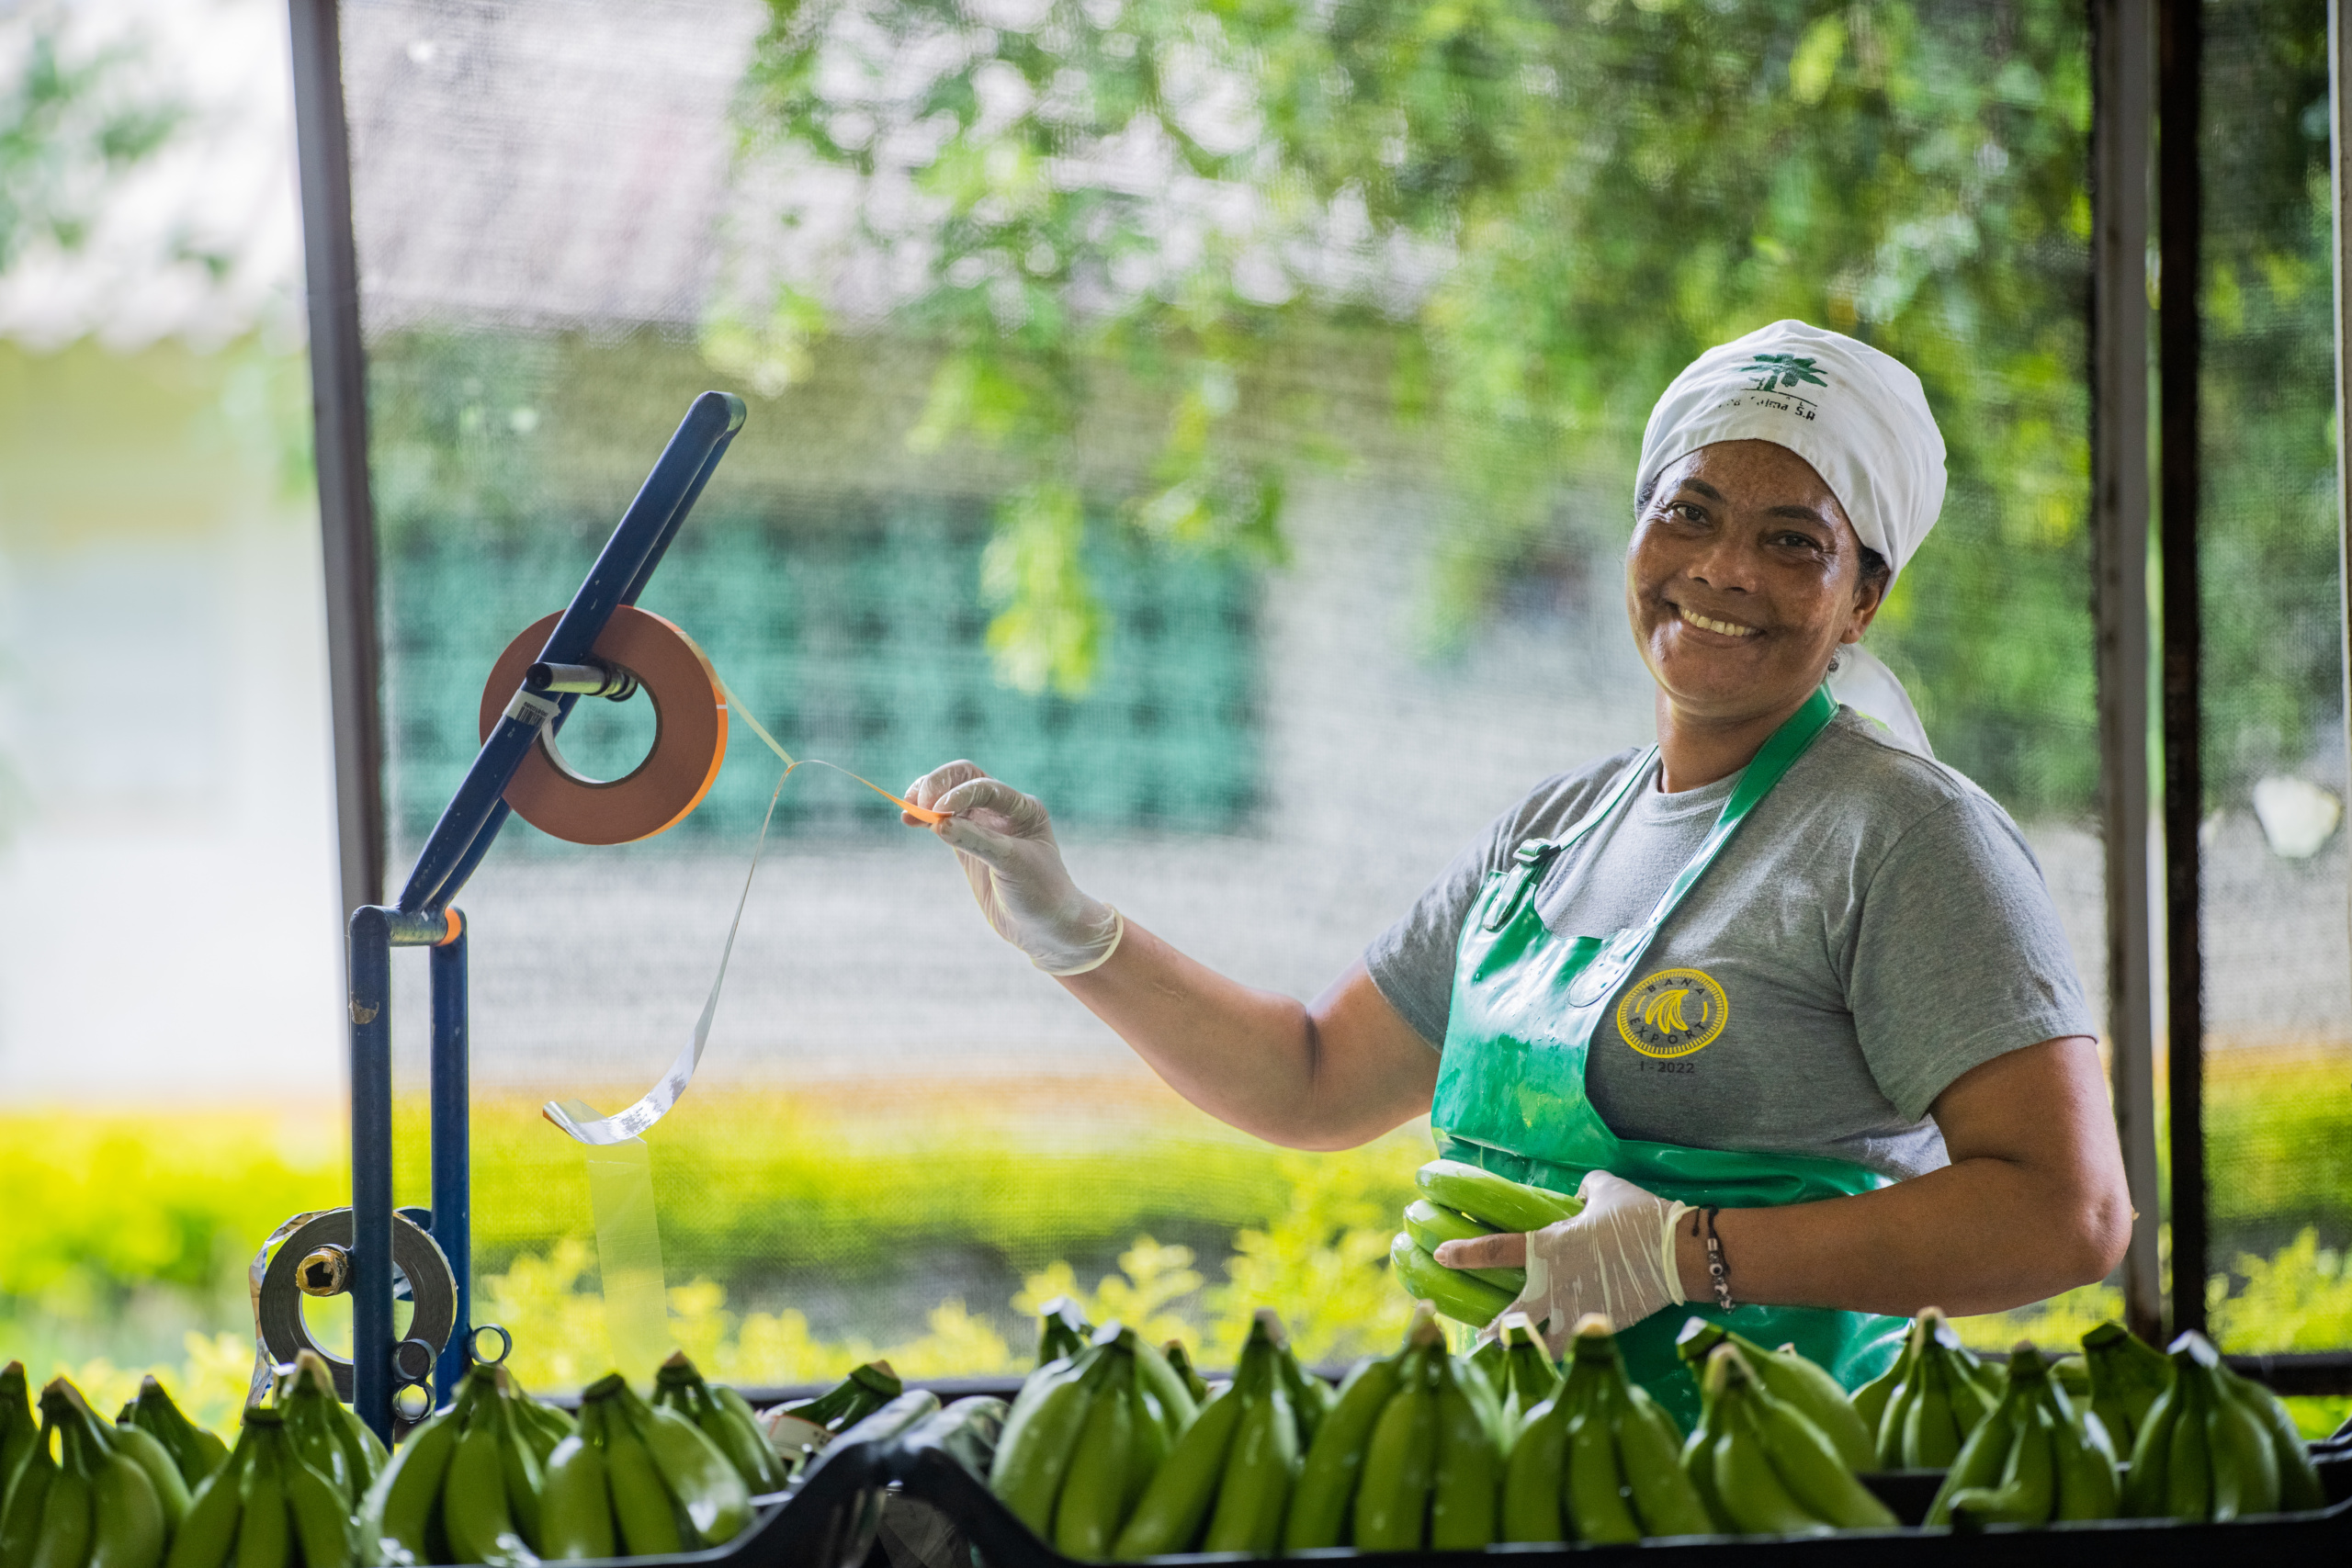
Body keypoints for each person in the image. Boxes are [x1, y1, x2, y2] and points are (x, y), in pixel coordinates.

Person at [902, 321, 2132, 1414]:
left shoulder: (1901, 834)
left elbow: (2068, 1215)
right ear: (1638, 530)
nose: (1723, 570)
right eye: (1690, 512)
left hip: (1789, 1480)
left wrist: (1688, 1253)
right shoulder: (1554, 828)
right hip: (1528, 1459)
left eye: (1793, 542)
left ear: (1862, 599)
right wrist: (1071, 933)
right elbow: (1316, 1080)